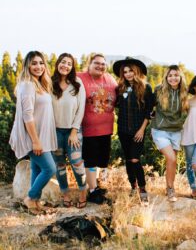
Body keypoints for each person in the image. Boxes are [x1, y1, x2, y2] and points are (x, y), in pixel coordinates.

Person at [9, 51, 57, 214]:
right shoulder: (28, 85)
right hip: (33, 137)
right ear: (27, 66)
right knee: (50, 169)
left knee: (37, 168)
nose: (38, 66)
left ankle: (35, 202)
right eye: (34, 63)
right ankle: (30, 197)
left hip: (41, 135)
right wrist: (36, 141)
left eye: (41, 63)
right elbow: (27, 116)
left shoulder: (39, 84)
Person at [77, 53, 117, 204]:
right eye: (96, 63)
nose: (100, 66)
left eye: (103, 63)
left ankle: (97, 186)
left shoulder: (110, 79)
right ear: (89, 64)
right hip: (89, 128)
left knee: (102, 160)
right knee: (91, 160)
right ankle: (92, 190)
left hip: (107, 128)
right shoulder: (80, 77)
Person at [112, 57, 153, 205]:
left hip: (138, 131)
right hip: (123, 130)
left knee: (135, 159)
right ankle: (132, 186)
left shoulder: (146, 87)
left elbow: (148, 112)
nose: (128, 74)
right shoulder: (120, 88)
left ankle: (142, 188)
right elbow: (115, 105)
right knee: (129, 160)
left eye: (131, 71)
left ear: (137, 71)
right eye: (125, 71)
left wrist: (142, 130)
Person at [51, 53, 87, 208]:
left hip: (74, 131)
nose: (65, 65)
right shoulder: (49, 83)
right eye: (63, 62)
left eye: (69, 63)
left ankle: (83, 193)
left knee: (77, 163)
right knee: (59, 165)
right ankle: (65, 194)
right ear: (58, 63)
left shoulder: (77, 83)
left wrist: (74, 131)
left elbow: (81, 109)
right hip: (54, 132)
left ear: (72, 67)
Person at [151, 65, 188, 202]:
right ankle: (170, 189)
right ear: (166, 77)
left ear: (180, 77)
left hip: (176, 131)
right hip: (160, 130)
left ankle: (169, 189)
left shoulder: (184, 92)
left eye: (176, 75)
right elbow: (149, 105)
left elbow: (187, 111)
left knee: (172, 162)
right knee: (171, 158)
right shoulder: (159, 90)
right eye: (170, 75)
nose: (173, 78)